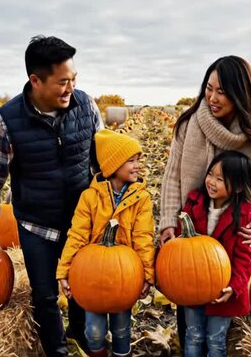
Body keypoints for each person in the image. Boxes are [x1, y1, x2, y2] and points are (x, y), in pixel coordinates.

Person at [0, 35, 104, 357]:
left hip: (80, 222)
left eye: (74, 79)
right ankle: (56, 349)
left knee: (82, 288)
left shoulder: (86, 106)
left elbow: (104, 161)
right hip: (36, 226)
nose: (70, 87)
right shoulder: (5, 121)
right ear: (35, 80)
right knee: (45, 295)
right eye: (62, 82)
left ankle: (81, 336)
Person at [159, 55, 251, 350]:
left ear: (241, 93)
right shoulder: (189, 124)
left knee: (219, 322)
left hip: (232, 230)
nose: (212, 97)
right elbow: (172, 178)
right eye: (209, 88)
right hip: (193, 228)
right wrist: (167, 223)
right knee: (190, 319)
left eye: (222, 91)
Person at [56, 129, 155, 357]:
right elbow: (77, 235)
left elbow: (144, 238)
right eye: (131, 160)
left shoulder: (142, 198)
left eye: (138, 160)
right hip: (92, 277)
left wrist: (147, 276)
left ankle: (122, 354)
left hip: (125, 276)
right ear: (113, 165)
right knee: (94, 331)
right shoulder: (89, 197)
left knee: (122, 329)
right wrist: (65, 271)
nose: (137, 165)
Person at [180, 151, 251, 357]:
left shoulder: (244, 215)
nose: (212, 182)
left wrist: (234, 286)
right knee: (193, 335)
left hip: (224, 292)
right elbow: (180, 246)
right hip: (193, 285)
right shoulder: (194, 203)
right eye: (210, 174)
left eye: (220, 179)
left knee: (215, 341)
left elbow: (246, 257)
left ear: (239, 187)